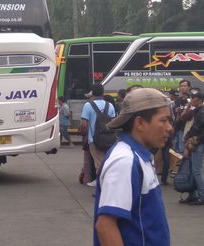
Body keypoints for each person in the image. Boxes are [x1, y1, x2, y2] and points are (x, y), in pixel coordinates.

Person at [94, 88, 171, 246]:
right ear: (140, 123)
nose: (169, 127)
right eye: (163, 120)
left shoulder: (140, 156)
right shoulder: (125, 161)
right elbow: (105, 226)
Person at [80, 83, 115, 186]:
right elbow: (114, 122)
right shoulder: (110, 105)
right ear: (103, 93)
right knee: (107, 161)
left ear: (91, 93)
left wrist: (83, 134)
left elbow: (84, 124)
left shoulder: (88, 105)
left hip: (94, 139)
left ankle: (102, 184)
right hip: (109, 138)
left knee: (99, 163)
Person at [180, 88, 204, 205]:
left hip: (197, 143)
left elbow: (196, 128)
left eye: (194, 98)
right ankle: (194, 194)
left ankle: (202, 195)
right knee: (193, 169)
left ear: (200, 99)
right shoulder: (197, 110)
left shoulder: (201, 111)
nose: (192, 100)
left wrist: (189, 138)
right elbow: (183, 117)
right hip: (196, 141)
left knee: (196, 170)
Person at [172, 80, 192, 154]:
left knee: (183, 151)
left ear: (189, 87)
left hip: (187, 129)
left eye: (185, 86)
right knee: (176, 151)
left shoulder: (193, 100)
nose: (183, 88)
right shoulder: (177, 101)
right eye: (181, 86)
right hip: (177, 128)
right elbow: (175, 116)